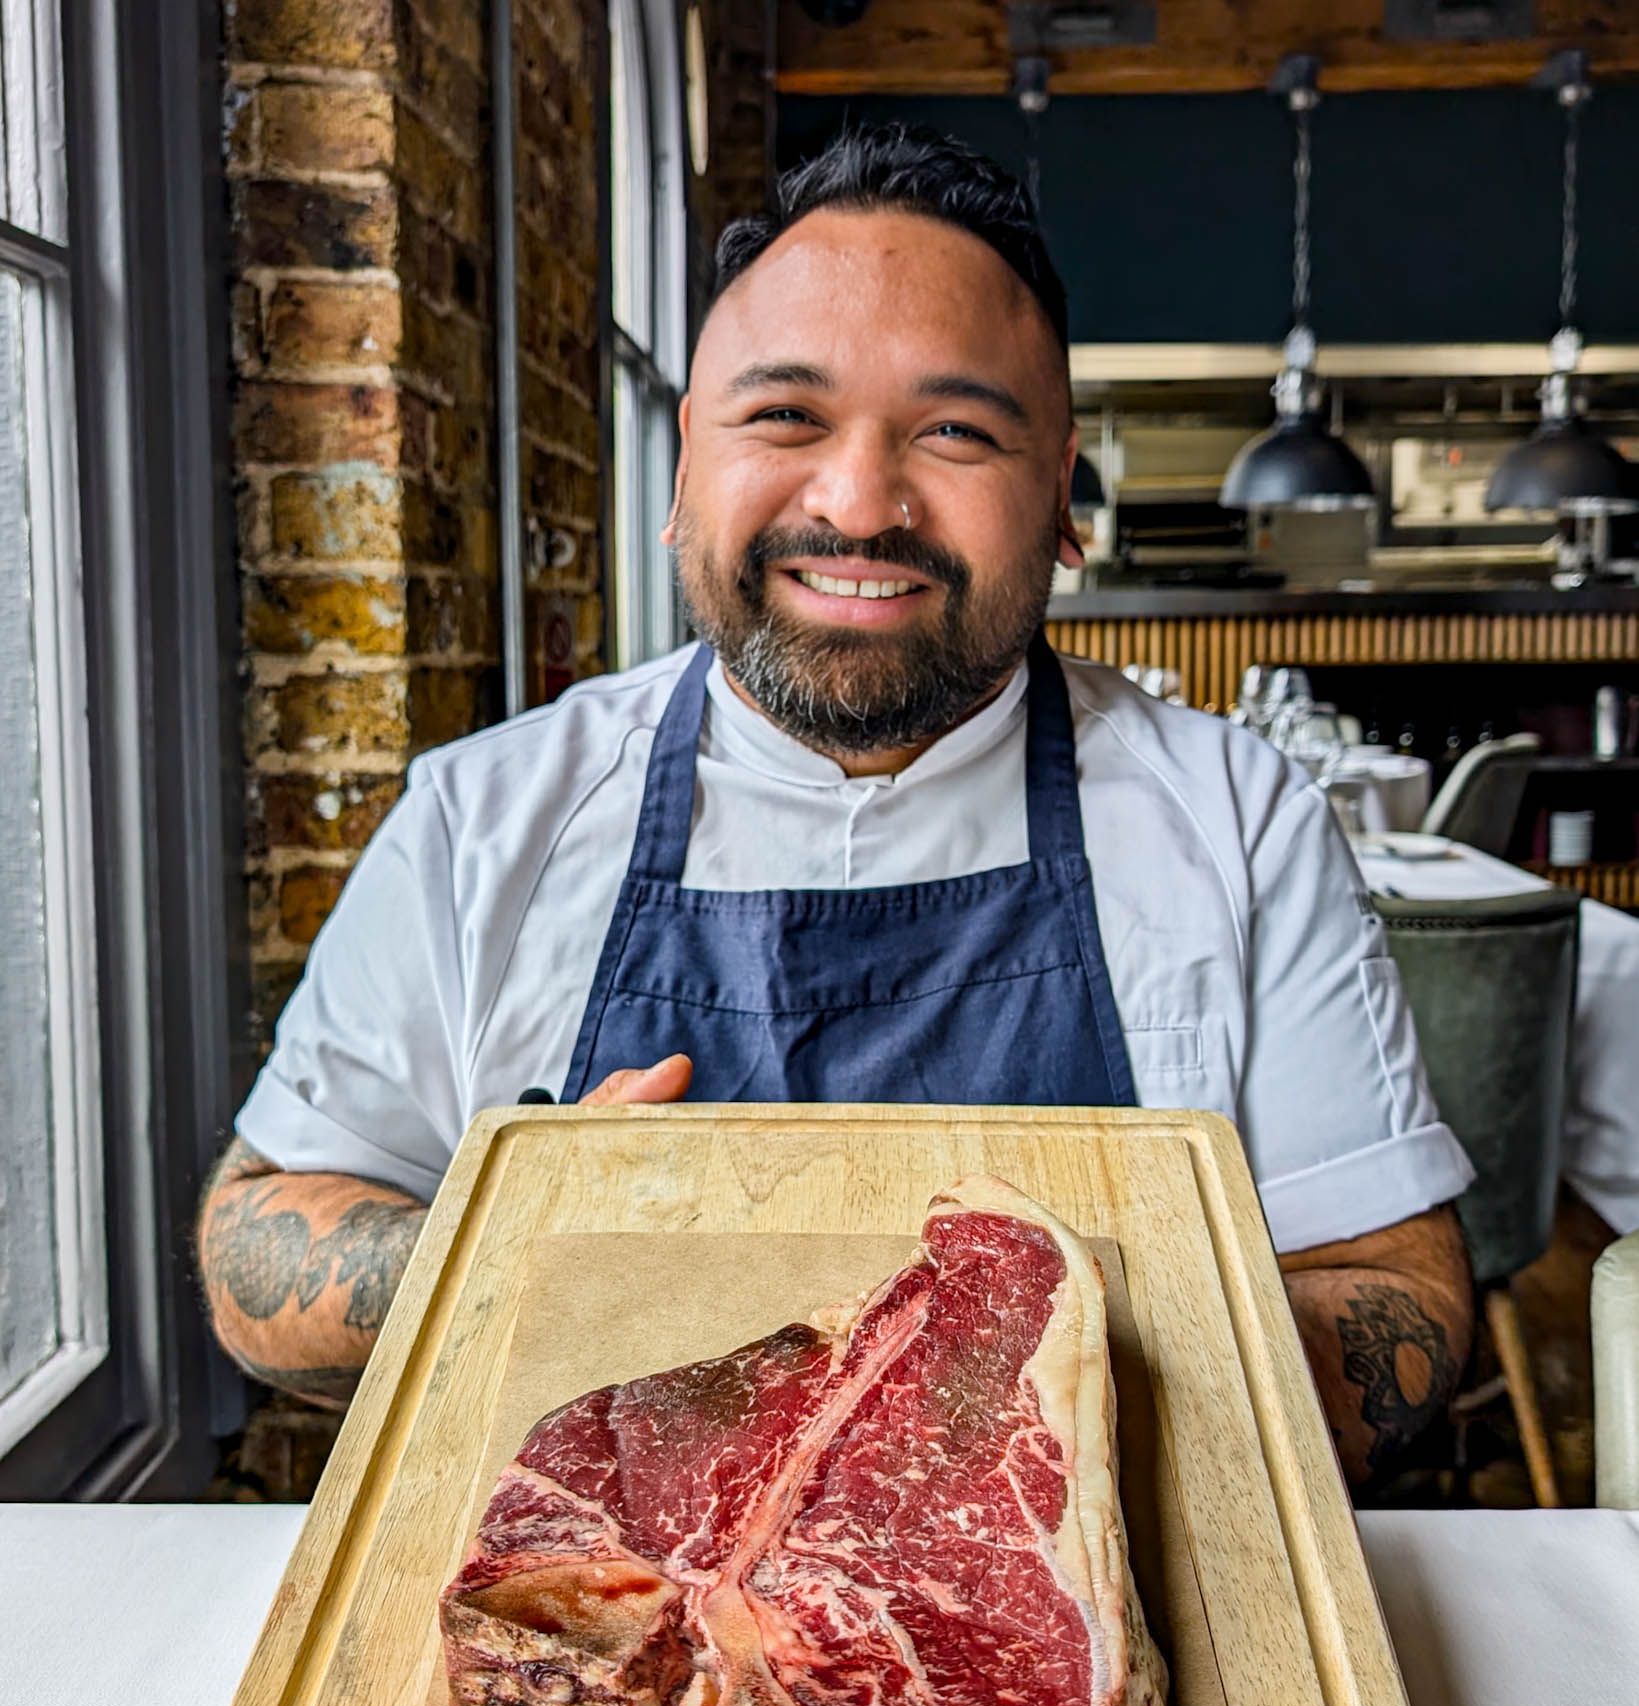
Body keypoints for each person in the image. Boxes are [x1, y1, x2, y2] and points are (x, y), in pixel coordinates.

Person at [198, 125, 1474, 1492]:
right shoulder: (487, 815)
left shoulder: (1235, 818)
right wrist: (523, 1240)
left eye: (958, 432)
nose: (861, 503)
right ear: (688, 470)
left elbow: (1397, 1297)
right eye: (784, 416)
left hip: (1088, 1614)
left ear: (1061, 497)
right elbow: (260, 1252)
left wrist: (1033, 1389)